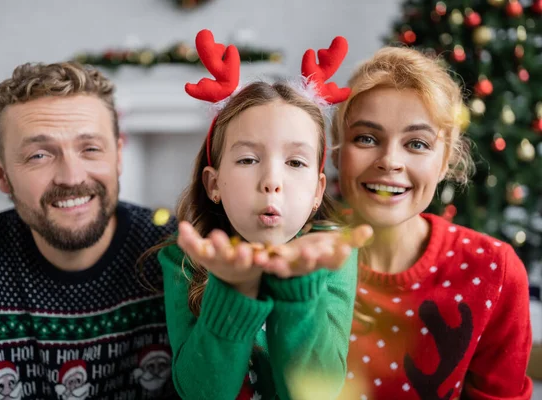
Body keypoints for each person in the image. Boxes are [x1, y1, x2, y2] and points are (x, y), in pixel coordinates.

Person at [155, 29, 373, 400]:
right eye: (248, 159)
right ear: (214, 184)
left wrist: (296, 289)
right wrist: (233, 288)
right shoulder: (184, 259)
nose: (272, 181)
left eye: (295, 162)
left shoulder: (331, 256)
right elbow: (202, 393)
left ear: (318, 191)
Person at [0, 62, 179, 399]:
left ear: (118, 156)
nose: (71, 177)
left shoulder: (179, 257)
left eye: (91, 149)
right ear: (1, 174)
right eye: (39, 155)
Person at [331, 46, 533, 399]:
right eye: (366, 138)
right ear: (337, 150)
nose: (390, 161)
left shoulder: (495, 271)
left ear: (445, 162)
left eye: (417, 144)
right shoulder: (296, 254)